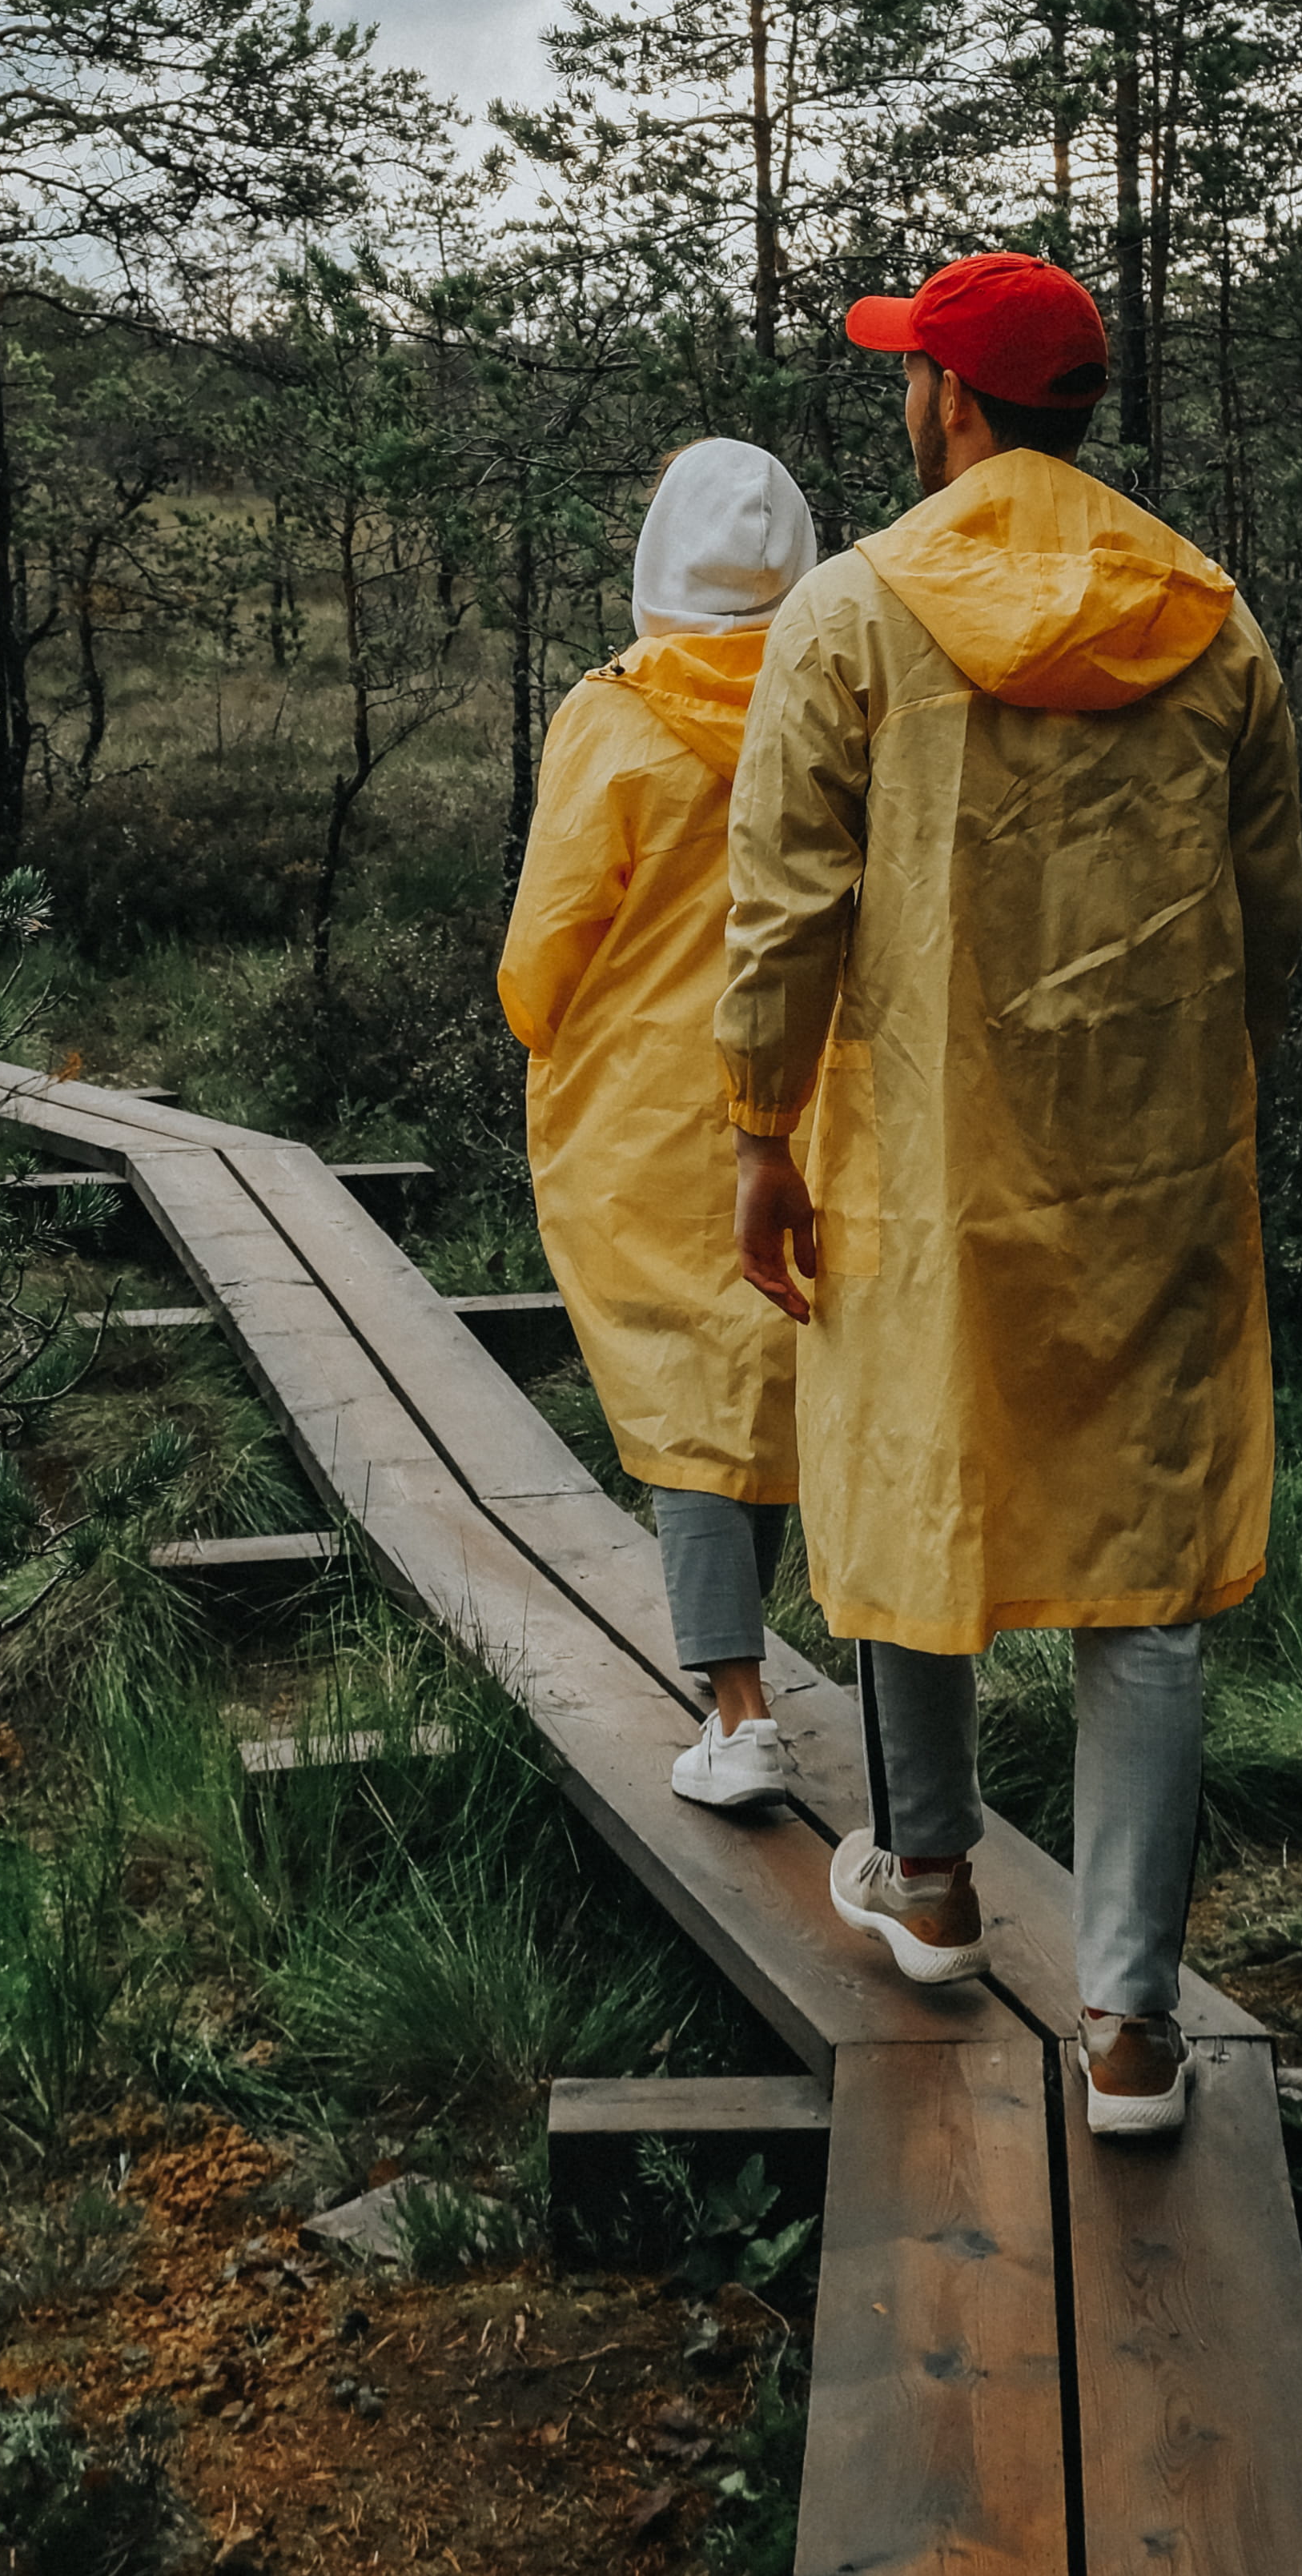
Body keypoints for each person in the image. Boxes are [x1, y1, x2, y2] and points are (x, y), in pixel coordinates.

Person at [715, 251, 1302, 2138]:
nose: (908, 402)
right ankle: (1132, 2027)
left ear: (956, 406)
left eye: (916, 378)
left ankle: (939, 1885)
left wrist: (756, 1128)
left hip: (923, 1169)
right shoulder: (1211, 622)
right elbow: (1265, 919)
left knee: (910, 1493)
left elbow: (788, 906)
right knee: (1150, 1577)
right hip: (1154, 1169)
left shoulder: (849, 615)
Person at [499, 435, 822, 1810]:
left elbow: (543, 949)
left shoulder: (617, 716)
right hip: (809, 1095)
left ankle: (737, 1707)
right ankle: (760, 1678)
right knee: (775, 1369)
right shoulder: (843, 700)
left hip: (641, 1108)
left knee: (690, 1399)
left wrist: (539, 1023)